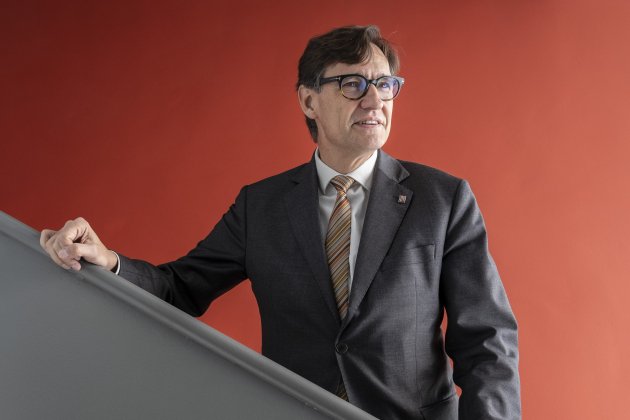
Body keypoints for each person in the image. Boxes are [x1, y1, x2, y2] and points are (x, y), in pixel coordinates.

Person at [40, 25, 521, 419]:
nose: (374, 100)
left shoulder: (443, 199)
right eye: (353, 84)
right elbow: (178, 288)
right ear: (309, 101)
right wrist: (108, 260)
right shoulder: (261, 206)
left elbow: (488, 341)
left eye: (385, 85)